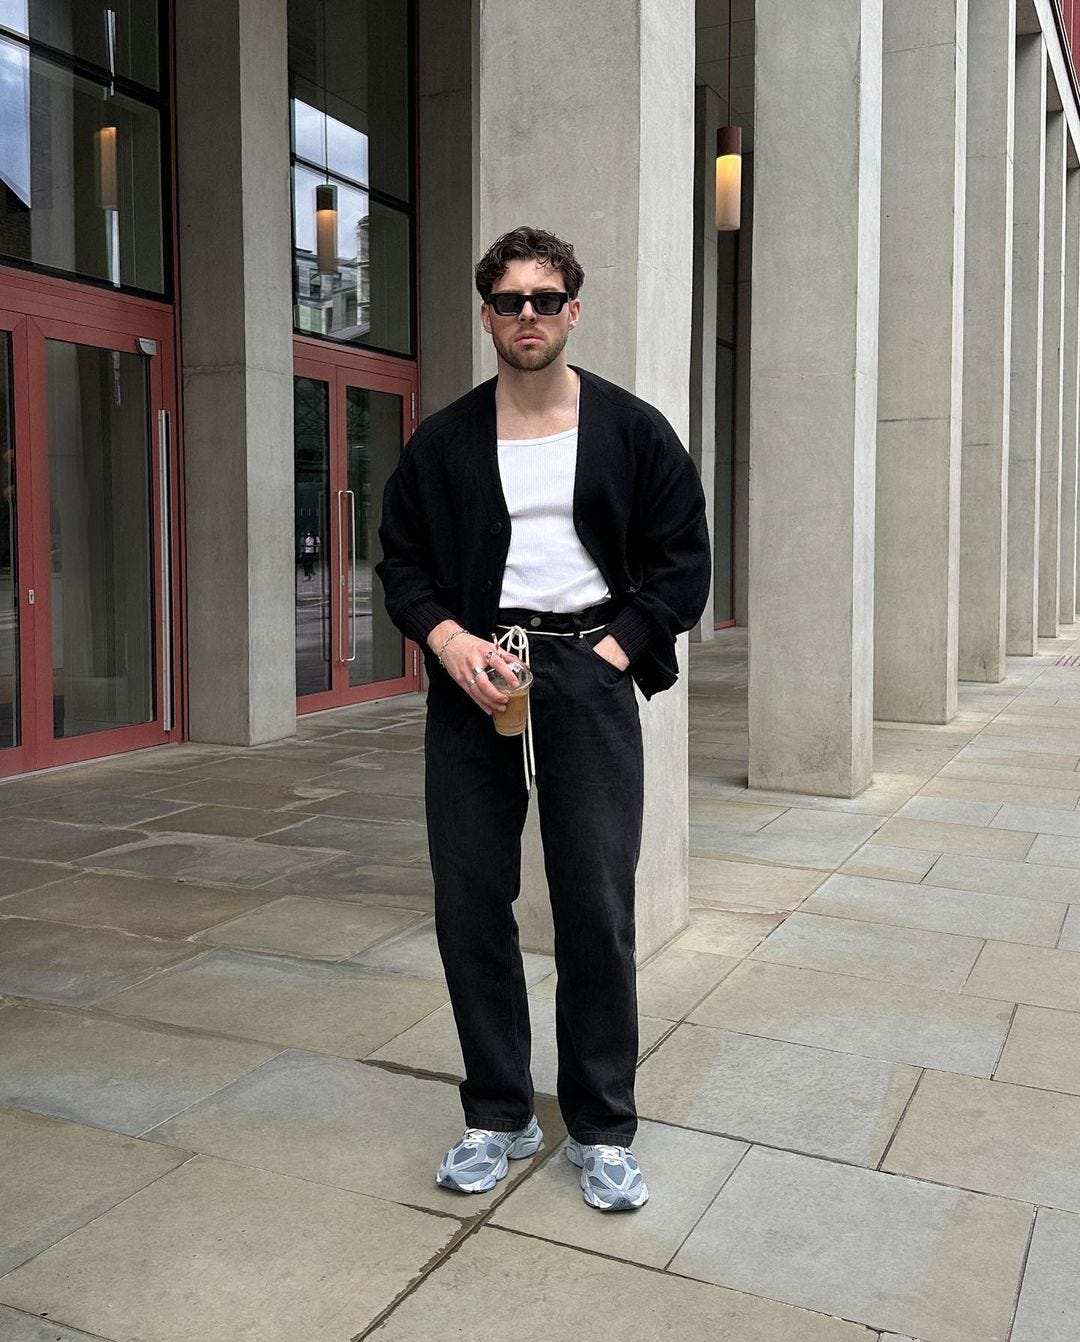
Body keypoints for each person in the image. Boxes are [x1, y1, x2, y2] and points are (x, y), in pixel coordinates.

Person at [376, 226, 710, 1211]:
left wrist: (613, 655)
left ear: (574, 311)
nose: (529, 314)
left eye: (546, 298)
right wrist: (448, 644)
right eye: (510, 300)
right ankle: (499, 1113)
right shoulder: (444, 442)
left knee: (595, 905)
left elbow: (683, 562)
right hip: (476, 670)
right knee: (471, 900)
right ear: (487, 316)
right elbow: (402, 563)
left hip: (588, 671)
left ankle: (601, 1128)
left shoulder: (632, 430)